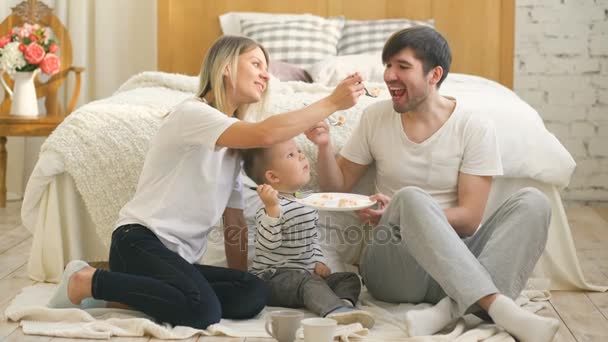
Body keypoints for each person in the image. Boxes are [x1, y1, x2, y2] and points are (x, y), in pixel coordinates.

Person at [47, 35, 366, 329]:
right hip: (139, 243)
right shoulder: (193, 115)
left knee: (252, 294)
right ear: (226, 67)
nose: (266, 75)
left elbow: (235, 222)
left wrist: (240, 278)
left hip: (177, 260)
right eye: (256, 64)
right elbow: (266, 133)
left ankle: (124, 293)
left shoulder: (233, 147)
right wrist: (332, 102)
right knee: (203, 311)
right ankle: (87, 280)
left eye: (267, 69)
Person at [306, 26, 559, 342]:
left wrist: (404, 211)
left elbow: (468, 221)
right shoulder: (374, 117)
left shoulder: (473, 126)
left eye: (402, 66)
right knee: (410, 198)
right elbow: (338, 188)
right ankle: (496, 305)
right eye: (388, 65)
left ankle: (448, 310)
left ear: (434, 74)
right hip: (393, 268)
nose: (389, 75)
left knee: (534, 202)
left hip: (453, 267)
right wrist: (325, 147)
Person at [242, 139, 375, 328]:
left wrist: (318, 261)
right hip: (273, 279)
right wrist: (272, 209)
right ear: (273, 177)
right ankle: (334, 311)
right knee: (308, 283)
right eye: (291, 155)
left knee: (349, 277)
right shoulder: (270, 207)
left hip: (304, 276)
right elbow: (267, 244)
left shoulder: (306, 201)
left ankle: (343, 304)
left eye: (298, 151)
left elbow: (311, 239)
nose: (301, 155)